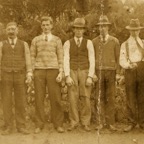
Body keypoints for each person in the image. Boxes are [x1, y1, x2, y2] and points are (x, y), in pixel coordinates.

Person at [30, 16, 64, 133]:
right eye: (43, 25)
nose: (45, 27)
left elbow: (60, 56)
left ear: (51, 26)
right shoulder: (35, 40)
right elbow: (32, 56)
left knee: (56, 98)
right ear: (41, 27)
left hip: (53, 70)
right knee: (39, 98)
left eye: (47, 25)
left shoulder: (57, 40)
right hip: (39, 70)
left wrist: (61, 71)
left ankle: (58, 124)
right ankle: (39, 124)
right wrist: (32, 71)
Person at [0, 22, 32, 135]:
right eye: (9, 29)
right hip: (5, 75)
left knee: (21, 101)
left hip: (20, 75)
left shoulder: (24, 44)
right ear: (6, 31)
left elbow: (28, 60)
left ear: (17, 31)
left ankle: (21, 126)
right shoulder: (1, 44)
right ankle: (8, 126)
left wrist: (29, 74)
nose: (11, 31)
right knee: (6, 101)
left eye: (13, 29)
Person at [63, 18, 95, 132]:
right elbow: (66, 59)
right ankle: (74, 122)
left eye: (80, 29)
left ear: (83, 30)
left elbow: (92, 59)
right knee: (72, 97)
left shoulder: (89, 42)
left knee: (85, 97)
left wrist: (90, 76)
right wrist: (67, 76)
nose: (78, 31)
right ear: (73, 30)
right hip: (72, 70)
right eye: (76, 28)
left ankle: (85, 122)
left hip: (85, 71)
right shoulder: (67, 43)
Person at [92, 15, 121, 131]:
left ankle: (111, 123)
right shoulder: (94, 42)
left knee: (110, 97)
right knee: (99, 97)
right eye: (100, 27)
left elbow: (118, 58)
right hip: (98, 72)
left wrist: (118, 73)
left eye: (104, 26)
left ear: (108, 28)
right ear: (98, 28)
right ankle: (100, 122)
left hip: (111, 72)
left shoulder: (115, 41)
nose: (102, 29)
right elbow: (91, 59)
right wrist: (93, 73)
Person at [120, 19, 144, 132]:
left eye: (137, 30)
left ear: (139, 31)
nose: (135, 33)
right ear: (129, 31)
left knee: (142, 97)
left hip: (142, 71)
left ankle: (142, 122)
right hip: (130, 71)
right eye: (132, 30)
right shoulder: (125, 44)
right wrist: (129, 65)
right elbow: (122, 60)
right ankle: (131, 122)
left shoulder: (143, 43)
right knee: (130, 97)